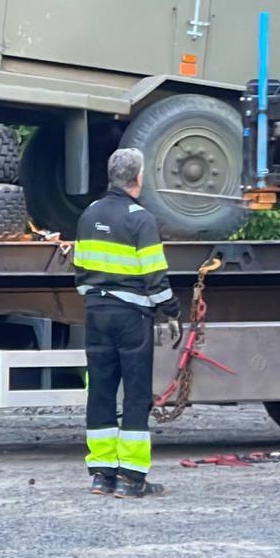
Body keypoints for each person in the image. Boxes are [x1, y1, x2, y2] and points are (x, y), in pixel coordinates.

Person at [74, 147, 182, 499]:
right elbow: (155, 277)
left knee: (101, 392)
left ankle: (102, 475)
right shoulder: (141, 218)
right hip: (132, 318)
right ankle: (132, 479)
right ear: (138, 178)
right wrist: (173, 311)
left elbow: (79, 272)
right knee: (136, 396)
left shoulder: (88, 215)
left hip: (95, 314)